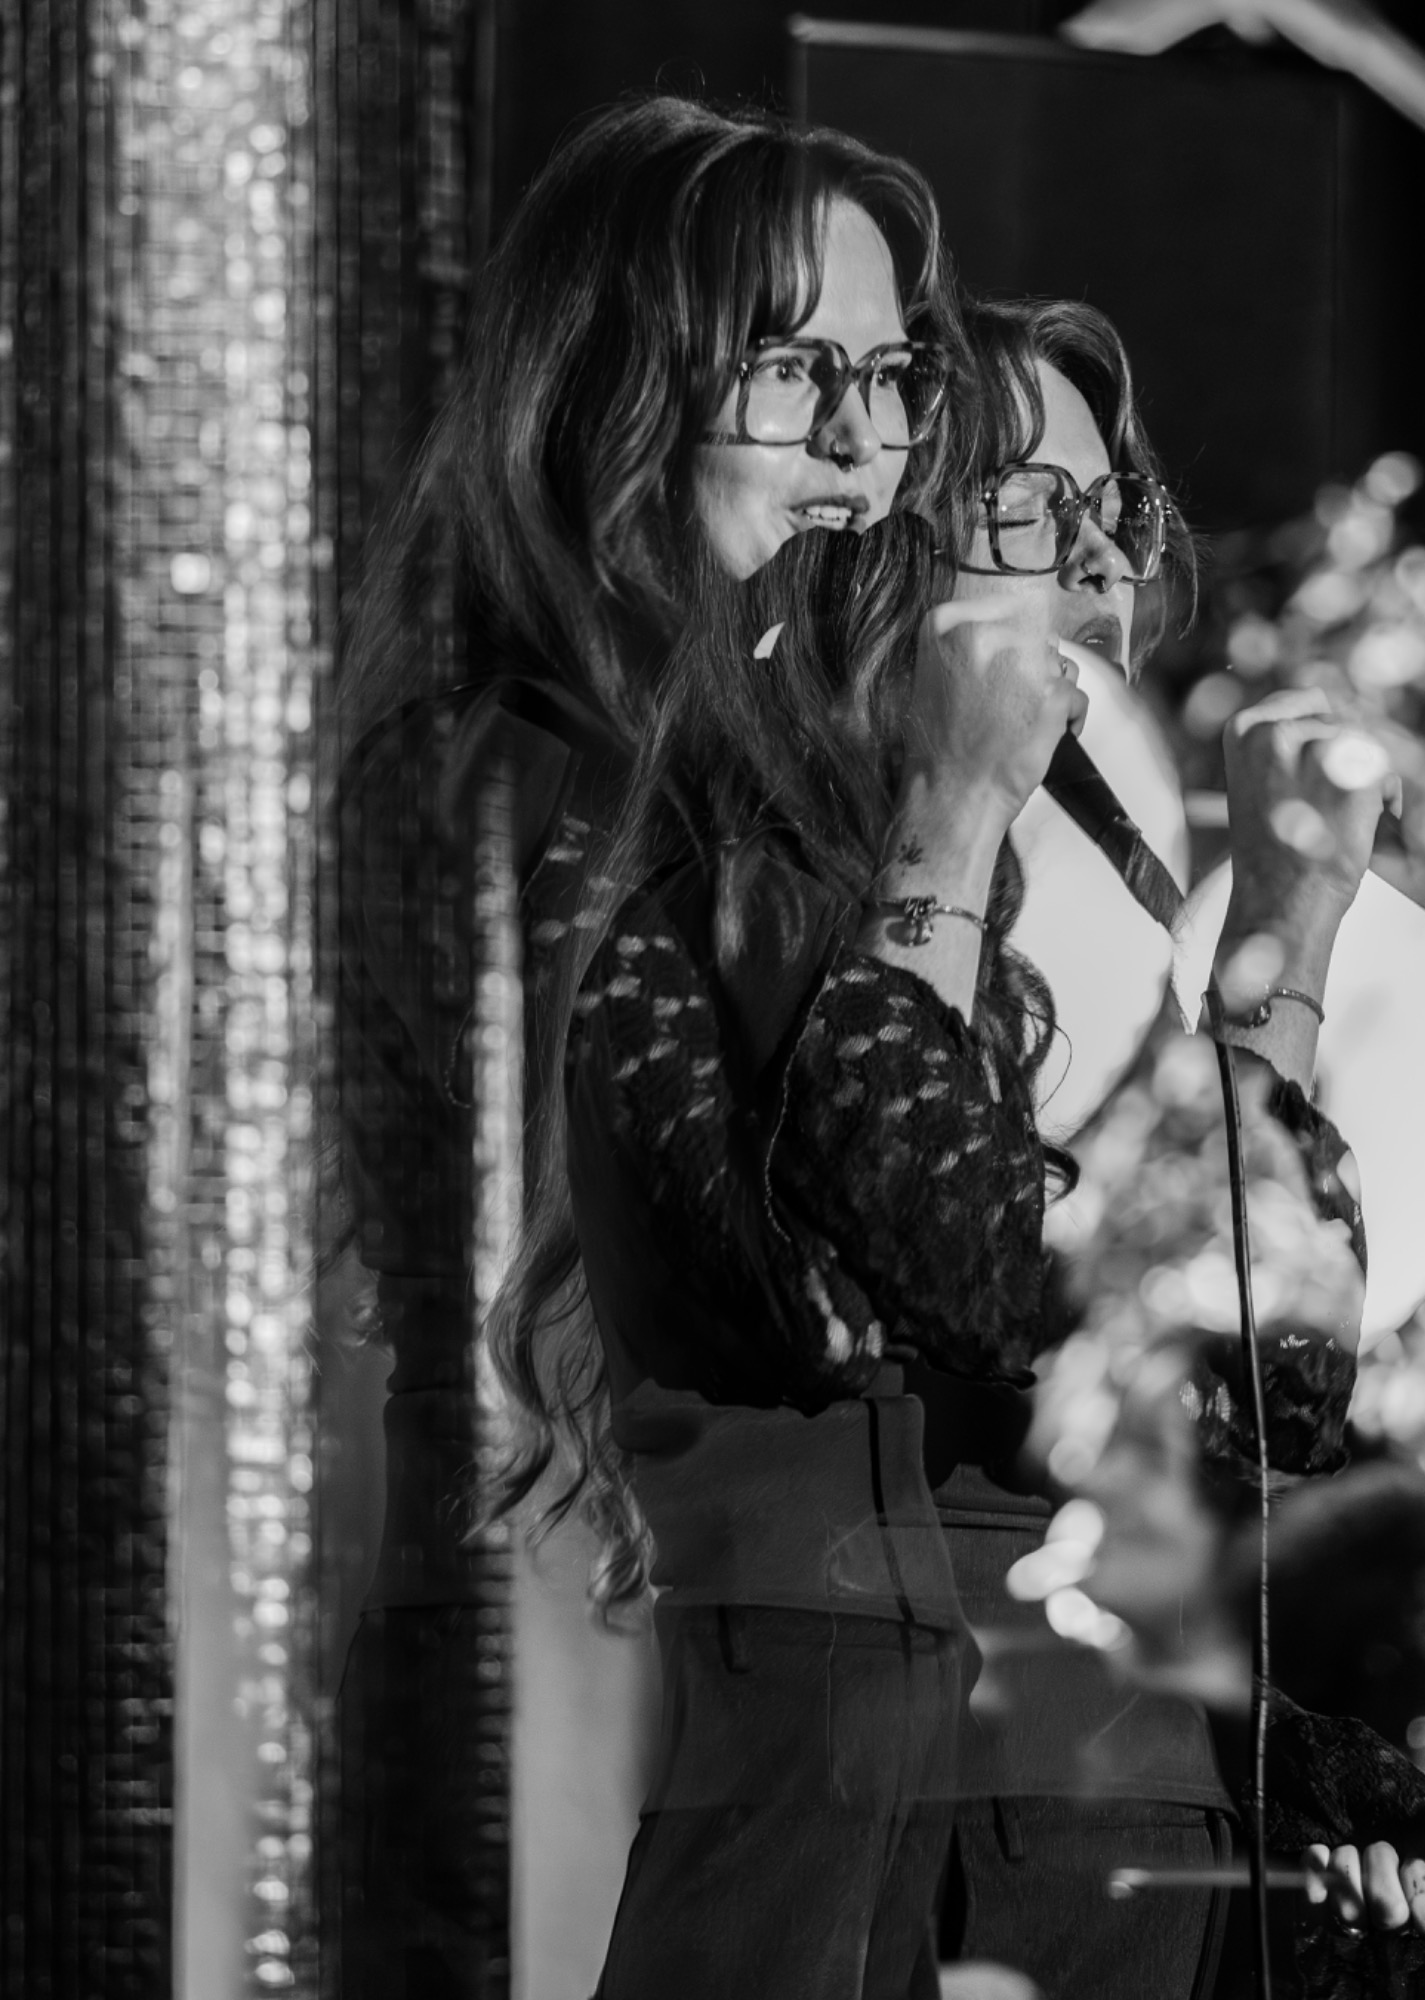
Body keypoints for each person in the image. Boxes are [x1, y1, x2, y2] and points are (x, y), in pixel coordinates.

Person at [330, 93, 961, 1997]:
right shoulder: (511, 770)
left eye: (890, 375)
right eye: (792, 369)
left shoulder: (770, 769)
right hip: (594, 1631)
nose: (862, 443)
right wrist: (953, 845)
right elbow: (779, 1262)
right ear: (618, 380)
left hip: (792, 1667)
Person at [925, 296, 1425, 2000]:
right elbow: (1211, 1367)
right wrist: (1284, 944)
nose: (1101, 562)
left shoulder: (1105, 842)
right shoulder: (899, 875)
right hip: (952, 1777)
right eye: (1030, 505)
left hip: (1115, 1765)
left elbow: (1264, 1388)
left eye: (1113, 506)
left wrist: (1303, 1772)